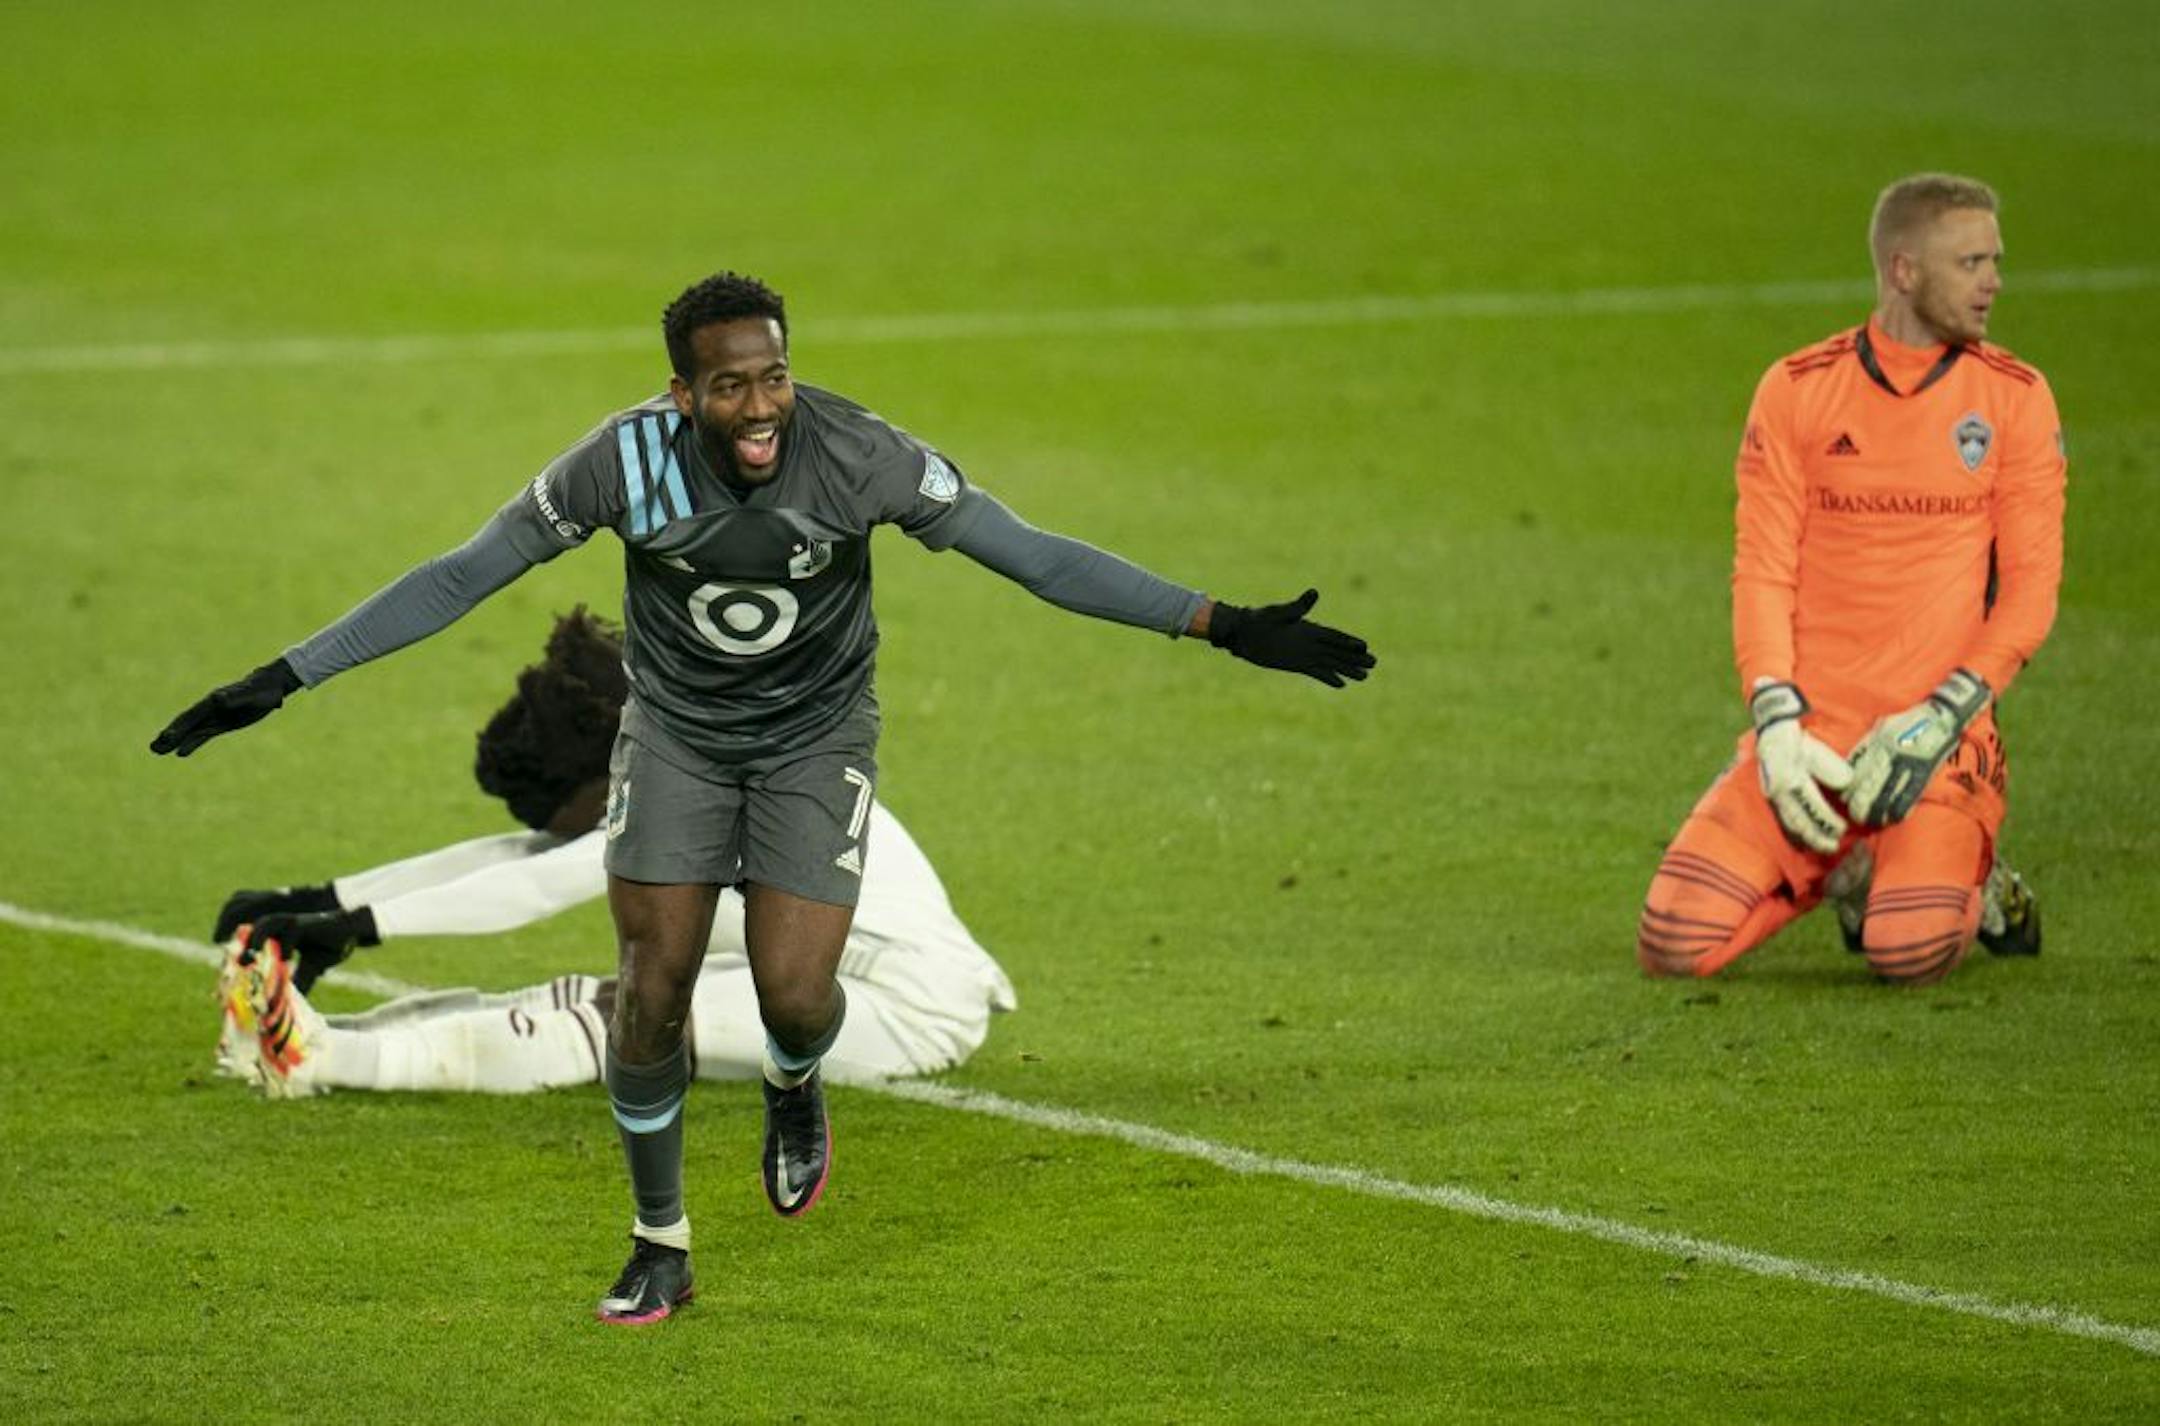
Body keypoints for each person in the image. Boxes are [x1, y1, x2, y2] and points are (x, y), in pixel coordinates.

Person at [151, 271, 1376, 1325]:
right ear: (682, 392)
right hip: (678, 739)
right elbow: (462, 574)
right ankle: (661, 1243)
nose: (759, 408)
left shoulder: (864, 456)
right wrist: (284, 676)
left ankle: (798, 1080)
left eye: (773, 377)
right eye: (730, 386)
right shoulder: (616, 463)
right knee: (648, 993)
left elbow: (1033, 551)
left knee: (796, 994)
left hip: (813, 743)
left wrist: (1219, 623)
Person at [212, 609, 1014, 1098]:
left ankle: (325, 1060)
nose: (566, 834)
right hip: (833, 975)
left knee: (607, 1027)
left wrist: (356, 924)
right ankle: (327, 1041)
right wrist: (325, 898)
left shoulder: (702, 792)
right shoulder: (681, 759)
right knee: (590, 997)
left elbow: (540, 884)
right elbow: (523, 855)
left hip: (906, 1006)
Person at [1638, 173, 2059, 988]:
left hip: (1939, 739)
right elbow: (1761, 567)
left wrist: (1943, 717)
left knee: (1906, 955)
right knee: (1672, 942)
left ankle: (1983, 881)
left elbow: (2031, 593)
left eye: (1995, 261)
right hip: (1812, 734)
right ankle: (1842, 871)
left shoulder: (2015, 399)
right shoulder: (1798, 389)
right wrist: (1774, 715)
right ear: (1904, 271)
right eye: (1971, 262)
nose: (1994, 282)